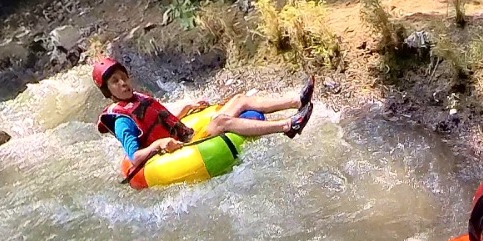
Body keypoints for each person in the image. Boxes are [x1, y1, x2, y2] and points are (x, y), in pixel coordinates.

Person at [91, 57, 315, 173]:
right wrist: (158, 144)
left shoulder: (138, 99)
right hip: (179, 150)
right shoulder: (122, 121)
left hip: (186, 136)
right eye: (115, 82)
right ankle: (288, 126)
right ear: (107, 91)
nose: (123, 83)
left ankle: (296, 101)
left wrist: (185, 111)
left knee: (240, 99)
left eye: (124, 77)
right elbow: (135, 157)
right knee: (221, 122)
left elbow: (162, 121)